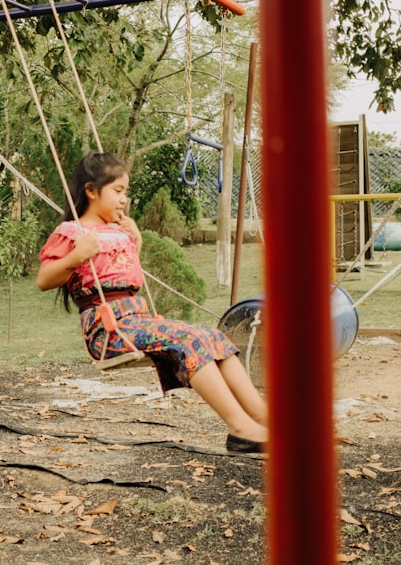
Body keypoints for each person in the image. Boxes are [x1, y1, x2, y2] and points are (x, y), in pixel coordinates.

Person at [37, 151, 268, 453]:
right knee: (191, 342)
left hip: (138, 320)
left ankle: (263, 418)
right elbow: (45, 280)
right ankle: (241, 429)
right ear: (91, 191)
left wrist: (137, 242)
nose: (123, 199)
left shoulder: (119, 229)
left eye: (125, 192)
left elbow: (121, 272)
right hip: (109, 331)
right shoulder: (72, 232)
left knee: (214, 337)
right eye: (117, 191)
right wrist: (76, 256)